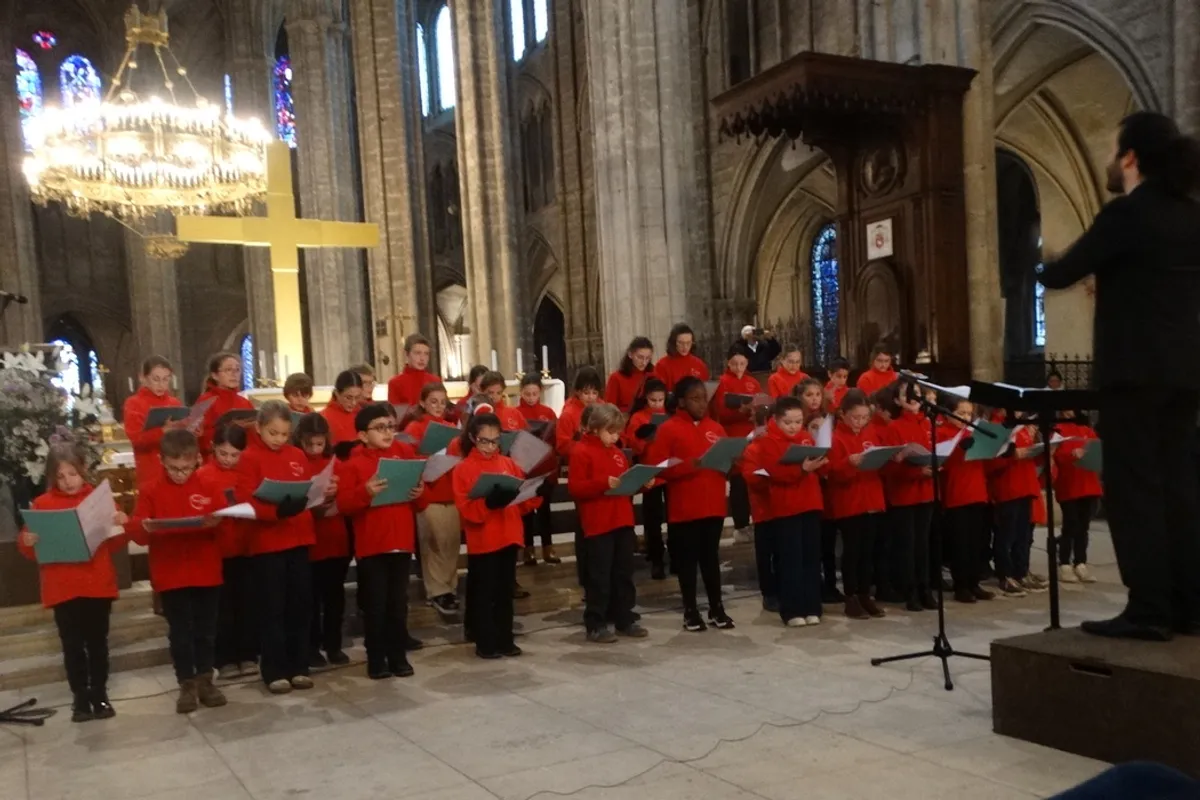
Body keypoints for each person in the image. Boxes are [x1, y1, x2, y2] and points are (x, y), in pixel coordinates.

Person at [1038, 111, 1200, 640]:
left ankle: (1149, 609)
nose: (1111, 161)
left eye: (1114, 151)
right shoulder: (1191, 215)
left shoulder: (1127, 214)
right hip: (1185, 373)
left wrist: (1040, 260)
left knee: (1133, 491)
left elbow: (1062, 272)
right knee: (1180, 488)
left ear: (1130, 157)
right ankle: (1189, 607)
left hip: (1133, 374)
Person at [18, 445, 128, 722]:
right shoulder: (42, 504)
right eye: (61, 476)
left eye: (73, 474)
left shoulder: (97, 500)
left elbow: (115, 543)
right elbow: (30, 549)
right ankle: (80, 698)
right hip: (63, 586)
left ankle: (100, 695)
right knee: (72, 645)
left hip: (96, 583)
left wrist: (119, 523)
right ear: (52, 478)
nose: (68, 481)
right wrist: (28, 540)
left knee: (98, 643)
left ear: (83, 473)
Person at [126, 429, 228, 714]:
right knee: (181, 632)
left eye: (186, 468)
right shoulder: (150, 489)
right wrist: (142, 526)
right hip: (170, 572)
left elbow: (224, 519)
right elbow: (137, 531)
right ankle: (186, 684)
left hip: (205, 569)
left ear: (197, 459)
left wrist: (216, 522)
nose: (181, 474)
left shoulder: (208, 484)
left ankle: (206, 679)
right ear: (161, 461)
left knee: (206, 630)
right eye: (173, 468)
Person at [236, 400, 323, 694]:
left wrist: (309, 496)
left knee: (300, 604)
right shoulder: (249, 458)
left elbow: (307, 488)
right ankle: (274, 669)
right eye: (273, 433)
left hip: (299, 536)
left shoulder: (297, 454)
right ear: (259, 429)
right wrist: (276, 512)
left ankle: (299, 666)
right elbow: (246, 499)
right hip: (268, 541)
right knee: (272, 607)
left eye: (284, 434)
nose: (279, 439)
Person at [336, 404, 425, 678]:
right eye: (380, 427)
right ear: (363, 435)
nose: (388, 432)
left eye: (390, 426)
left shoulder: (405, 453)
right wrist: (365, 492)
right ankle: (376, 660)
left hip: (401, 540)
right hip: (372, 544)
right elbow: (344, 505)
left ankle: (398, 656)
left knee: (398, 603)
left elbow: (421, 502)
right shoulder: (353, 464)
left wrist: (419, 492)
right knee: (376, 605)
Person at [645, 376, 735, 632]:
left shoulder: (715, 428)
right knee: (687, 562)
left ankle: (717, 608)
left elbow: (727, 464)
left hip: (713, 504)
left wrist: (733, 460)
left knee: (710, 558)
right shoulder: (669, 428)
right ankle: (690, 610)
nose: (701, 404)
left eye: (704, 398)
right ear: (681, 401)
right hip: (684, 507)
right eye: (695, 399)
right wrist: (688, 466)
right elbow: (658, 468)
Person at [452, 409, 542, 659]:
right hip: (484, 538)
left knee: (504, 591)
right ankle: (485, 641)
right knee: (485, 592)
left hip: (508, 534)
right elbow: (465, 509)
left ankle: (505, 639)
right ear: (472, 438)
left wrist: (533, 492)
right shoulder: (464, 469)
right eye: (484, 441)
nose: (490, 446)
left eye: (495, 440)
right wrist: (487, 504)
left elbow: (522, 500)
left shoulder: (508, 464)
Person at [567, 403, 650, 643]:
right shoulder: (581, 451)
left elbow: (624, 486)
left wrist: (641, 483)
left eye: (617, 432)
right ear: (595, 428)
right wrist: (604, 483)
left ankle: (624, 618)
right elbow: (576, 488)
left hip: (622, 519)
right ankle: (595, 622)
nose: (615, 437)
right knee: (599, 576)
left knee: (623, 573)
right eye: (611, 431)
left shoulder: (616, 453)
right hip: (597, 523)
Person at [742, 396, 827, 626]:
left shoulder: (807, 439)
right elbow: (774, 473)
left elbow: (817, 469)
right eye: (788, 422)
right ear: (776, 421)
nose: (794, 427)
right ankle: (792, 610)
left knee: (811, 559)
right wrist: (801, 468)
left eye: (798, 421)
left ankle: (812, 607)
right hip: (786, 506)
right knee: (791, 560)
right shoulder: (767, 442)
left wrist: (820, 463)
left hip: (810, 503)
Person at [198, 424, 259, 680]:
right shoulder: (203, 475)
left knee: (246, 603)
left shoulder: (248, 471)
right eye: (223, 454)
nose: (229, 460)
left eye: (235, 455)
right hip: (218, 548)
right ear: (213, 448)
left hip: (246, 544)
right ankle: (224, 659)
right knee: (222, 607)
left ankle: (248, 655)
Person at [293, 414, 351, 669]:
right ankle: (312, 646)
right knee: (311, 598)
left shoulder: (334, 462)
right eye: (310, 444)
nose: (315, 449)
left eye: (319, 444)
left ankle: (334, 644)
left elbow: (348, 493)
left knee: (335, 595)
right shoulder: (296, 461)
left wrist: (335, 492)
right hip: (310, 536)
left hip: (334, 533)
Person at [825, 389, 887, 620]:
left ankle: (864, 594)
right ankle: (850, 596)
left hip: (872, 497)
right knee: (852, 552)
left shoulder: (871, 432)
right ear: (843, 414)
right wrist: (848, 463)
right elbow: (830, 472)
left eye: (864, 417)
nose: (860, 422)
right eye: (855, 417)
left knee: (868, 551)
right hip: (849, 502)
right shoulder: (835, 438)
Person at [875, 383, 937, 611]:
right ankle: (909, 590)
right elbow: (888, 467)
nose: (913, 398)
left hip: (927, 490)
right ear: (897, 401)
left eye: (917, 394)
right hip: (903, 493)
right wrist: (915, 471)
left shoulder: (928, 423)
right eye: (906, 395)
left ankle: (925, 588)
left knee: (924, 544)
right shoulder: (895, 428)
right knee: (907, 545)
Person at [404, 383, 464, 619]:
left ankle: (449, 587)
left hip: (450, 492)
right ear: (422, 403)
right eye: (433, 402)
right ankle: (437, 591)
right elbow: (411, 460)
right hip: (429, 494)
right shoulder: (415, 428)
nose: (438, 406)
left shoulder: (451, 428)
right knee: (434, 545)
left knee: (450, 543)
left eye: (442, 401)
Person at [938, 397, 996, 603]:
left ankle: (974, 583)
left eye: (968, 414)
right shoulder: (942, 433)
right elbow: (945, 464)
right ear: (948, 413)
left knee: (977, 542)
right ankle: (961, 585)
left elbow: (985, 465)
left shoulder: (973, 434)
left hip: (978, 493)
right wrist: (960, 447)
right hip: (957, 494)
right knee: (961, 544)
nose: (965, 417)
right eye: (961, 413)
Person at [986, 413, 1044, 598]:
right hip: (1008, 487)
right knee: (1006, 534)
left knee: (1023, 534)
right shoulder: (997, 426)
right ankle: (1005, 574)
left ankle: (1021, 571)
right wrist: (1012, 455)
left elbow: (1033, 460)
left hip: (1025, 485)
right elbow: (990, 463)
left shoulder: (1023, 427)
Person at [711, 347, 762, 542]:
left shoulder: (753, 382)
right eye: (735, 364)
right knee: (739, 481)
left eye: (742, 363)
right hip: (733, 436)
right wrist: (740, 411)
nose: (739, 367)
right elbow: (721, 413)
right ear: (728, 364)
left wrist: (753, 411)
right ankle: (741, 524)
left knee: (753, 479)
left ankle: (755, 519)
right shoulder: (722, 383)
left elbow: (762, 405)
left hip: (752, 436)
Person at [626, 377, 670, 579]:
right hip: (649, 472)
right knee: (652, 518)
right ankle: (656, 558)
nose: (657, 404)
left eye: (660, 400)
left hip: (669, 471)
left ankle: (675, 556)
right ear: (645, 399)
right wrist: (646, 439)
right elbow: (633, 447)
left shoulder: (670, 415)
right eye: (653, 400)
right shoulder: (637, 418)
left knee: (673, 515)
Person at [1054, 411, 1102, 585]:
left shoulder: (1087, 430)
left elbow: (1096, 450)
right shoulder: (1057, 430)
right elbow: (1055, 455)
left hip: (1088, 484)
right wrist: (1071, 455)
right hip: (1069, 485)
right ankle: (1065, 563)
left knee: (1083, 527)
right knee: (1070, 525)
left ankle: (1080, 562)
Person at [516, 374, 559, 566]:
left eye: (534, 393)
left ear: (540, 392)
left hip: (544, 465)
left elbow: (555, 439)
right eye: (527, 394)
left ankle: (548, 548)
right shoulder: (516, 412)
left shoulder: (548, 412)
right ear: (521, 392)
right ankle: (528, 549)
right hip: (525, 468)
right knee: (526, 513)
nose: (531, 397)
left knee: (545, 510)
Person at [123, 355, 185, 486]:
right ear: (142, 378)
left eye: (166, 379)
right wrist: (162, 431)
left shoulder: (174, 402)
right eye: (156, 379)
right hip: (150, 467)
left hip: (176, 464)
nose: (161, 385)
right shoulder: (134, 403)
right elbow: (137, 440)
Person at [196, 352, 255, 457]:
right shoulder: (205, 401)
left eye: (237, 370)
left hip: (243, 457)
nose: (234, 374)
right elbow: (199, 436)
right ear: (215, 375)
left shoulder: (245, 402)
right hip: (214, 458)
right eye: (228, 370)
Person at [556, 366, 603, 459]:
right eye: (586, 393)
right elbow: (562, 447)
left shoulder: (602, 407)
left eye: (595, 393)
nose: (591, 397)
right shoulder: (568, 415)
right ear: (577, 392)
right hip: (580, 457)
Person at [606, 336, 656, 413]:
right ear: (630, 354)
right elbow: (609, 409)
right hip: (625, 421)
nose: (644, 362)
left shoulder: (654, 375)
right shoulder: (616, 378)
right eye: (640, 357)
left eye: (648, 358)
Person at [654, 323, 710, 391]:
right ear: (673, 342)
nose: (685, 347)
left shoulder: (700, 365)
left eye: (688, 343)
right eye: (681, 343)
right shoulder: (662, 365)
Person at [387, 334, 440, 406]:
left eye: (426, 354)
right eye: (417, 353)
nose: (422, 358)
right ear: (407, 354)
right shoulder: (395, 383)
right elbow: (394, 414)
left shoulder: (435, 381)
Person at [322, 370, 365, 448]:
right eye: (349, 398)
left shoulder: (363, 413)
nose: (354, 403)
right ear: (337, 393)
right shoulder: (324, 418)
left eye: (357, 397)